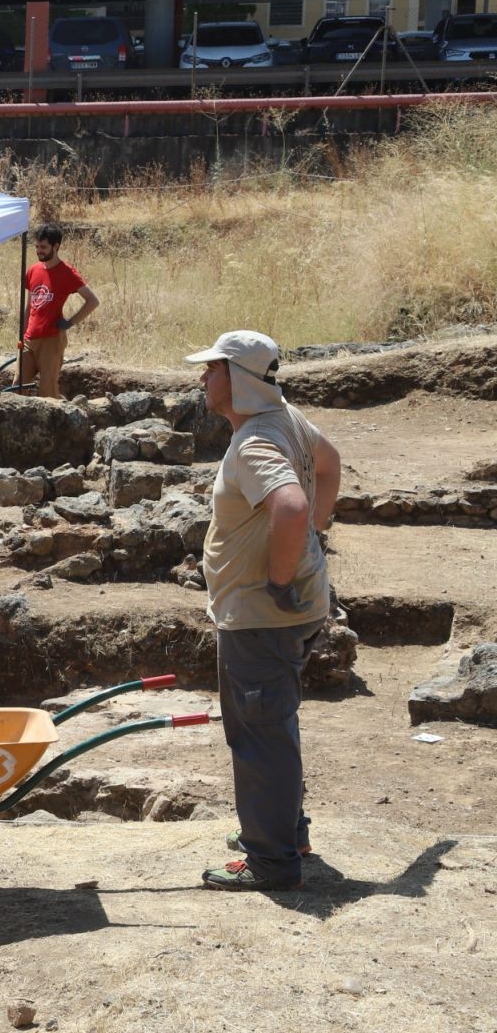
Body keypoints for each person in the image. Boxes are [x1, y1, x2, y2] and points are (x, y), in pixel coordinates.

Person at [186, 330, 341, 892]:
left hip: (263, 613)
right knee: (276, 721)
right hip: (293, 607)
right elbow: (329, 463)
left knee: (258, 734)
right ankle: (285, 830)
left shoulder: (254, 443)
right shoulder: (289, 420)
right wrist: (314, 542)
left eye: (212, 368)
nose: (203, 377)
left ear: (239, 378)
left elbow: (292, 505)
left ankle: (271, 860)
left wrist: (279, 575)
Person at [21, 223, 100, 399]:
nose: (39, 251)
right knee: (18, 386)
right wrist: (23, 333)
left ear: (56, 246)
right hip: (29, 339)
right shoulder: (33, 270)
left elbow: (93, 301)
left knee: (47, 390)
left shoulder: (67, 273)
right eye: (37, 247)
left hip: (51, 339)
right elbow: (30, 305)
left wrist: (70, 322)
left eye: (43, 247)